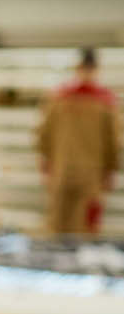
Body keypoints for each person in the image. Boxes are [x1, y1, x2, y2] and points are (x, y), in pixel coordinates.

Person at [38, 47, 120, 236]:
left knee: (62, 224)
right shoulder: (105, 101)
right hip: (86, 173)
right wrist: (110, 169)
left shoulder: (58, 97)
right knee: (82, 227)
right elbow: (113, 143)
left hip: (67, 171)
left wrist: (46, 162)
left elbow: (43, 135)